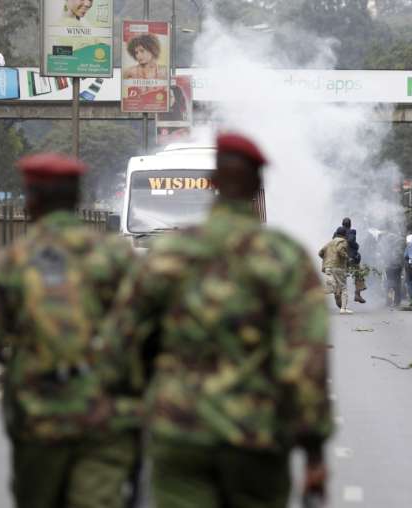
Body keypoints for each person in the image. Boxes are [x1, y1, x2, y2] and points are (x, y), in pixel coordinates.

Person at [103, 133, 333, 508]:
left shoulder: (167, 255)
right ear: (259, 186)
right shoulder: (286, 259)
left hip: (179, 435)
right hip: (257, 440)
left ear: (212, 185)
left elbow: (120, 347)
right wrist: (314, 452)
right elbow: (306, 362)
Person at [0, 154, 140, 507]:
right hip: (106, 421)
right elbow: (146, 342)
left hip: (38, 425)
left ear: (31, 201)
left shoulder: (8, 265)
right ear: (76, 200)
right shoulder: (118, 260)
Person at [320, 226, 352, 314]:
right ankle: (343, 309)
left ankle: (316, 296)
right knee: (343, 287)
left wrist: (327, 259)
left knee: (331, 287)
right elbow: (340, 250)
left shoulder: (329, 242)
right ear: (344, 235)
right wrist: (347, 258)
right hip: (338, 268)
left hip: (328, 268)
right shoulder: (343, 241)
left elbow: (320, 252)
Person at [342, 218, 367, 304]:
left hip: (340, 258)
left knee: (341, 276)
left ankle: (340, 295)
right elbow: (351, 240)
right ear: (350, 224)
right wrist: (356, 246)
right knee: (358, 274)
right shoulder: (351, 232)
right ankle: (357, 294)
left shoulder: (337, 233)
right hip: (351, 258)